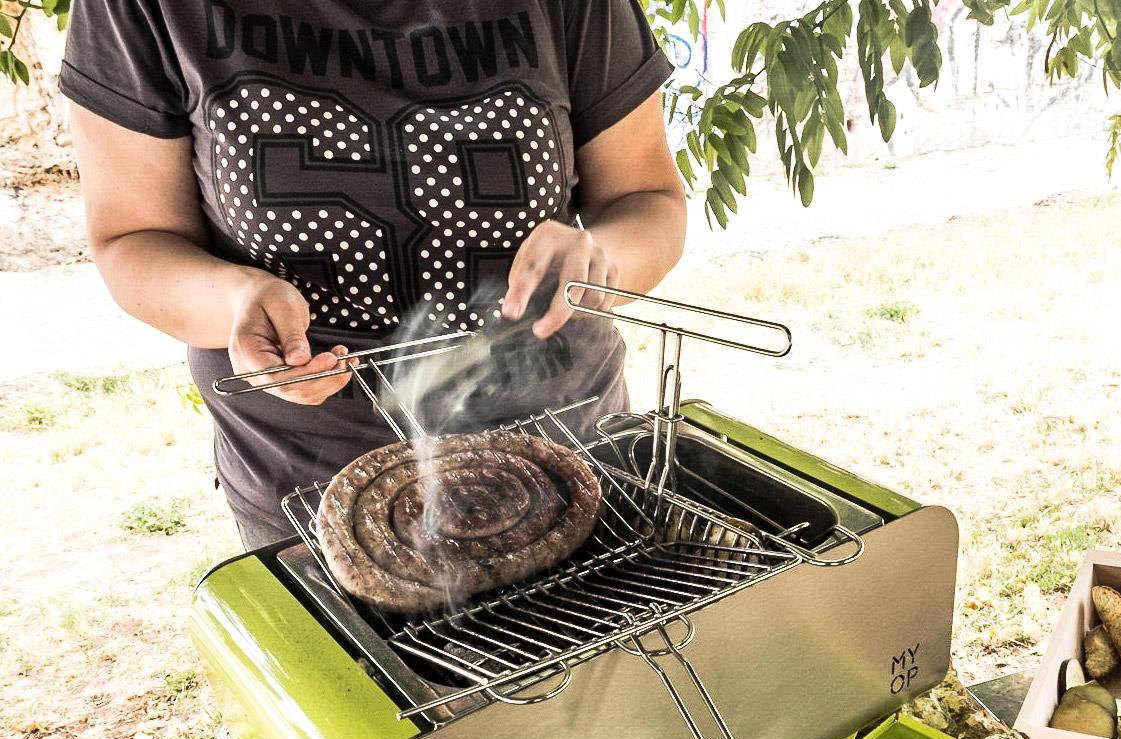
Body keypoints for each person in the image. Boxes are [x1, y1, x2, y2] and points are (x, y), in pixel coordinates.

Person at [62, 0, 687, 549]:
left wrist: (602, 257)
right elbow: (133, 238)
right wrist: (237, 299)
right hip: (317, 497)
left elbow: (646, 198)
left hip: (575, 455)